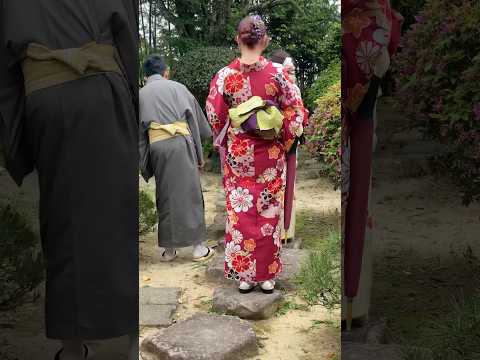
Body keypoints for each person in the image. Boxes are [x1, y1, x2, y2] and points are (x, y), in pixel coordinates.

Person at [0, 1, 139, 359]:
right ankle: (129, 342)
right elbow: (127, 42)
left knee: (62, 224)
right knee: (118, 216)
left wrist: (15, 145)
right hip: (104, 92)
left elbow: (5, 70)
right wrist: (131, 113)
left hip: (44, 98)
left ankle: (72, 350)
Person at [206, 15, 308, 294]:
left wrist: (232, 134)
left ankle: (244, 275)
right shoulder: (278, 73)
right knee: (268, 213)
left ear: (238, 39)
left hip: (239, 153)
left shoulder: (224, 76)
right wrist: (282, 134)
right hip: (270, 153)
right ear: (265, 40)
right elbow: (296, 111)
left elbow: (215, 116)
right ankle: (266, 276)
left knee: (240, 212)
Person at [139, 54, 215, 263]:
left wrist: (144, 164)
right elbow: (195, 124)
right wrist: (199, 155)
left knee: (165, 194)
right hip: (181, 144)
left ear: (146, 76)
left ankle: (169, 250)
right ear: (166, 72)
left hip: (157, 147)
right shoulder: (179, 88)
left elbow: (138, 134)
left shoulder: (140, 94)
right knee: (190, 192)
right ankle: (198, 248)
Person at [269, 49, 302, 244]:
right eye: (290, 70)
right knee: (282, 184)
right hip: (284, 140)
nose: (292, 74)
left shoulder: (266, 83)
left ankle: (281, 230)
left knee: (280, 185)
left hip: (272, 140)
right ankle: (283, 231)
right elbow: (296, 115)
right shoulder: (291, 88)